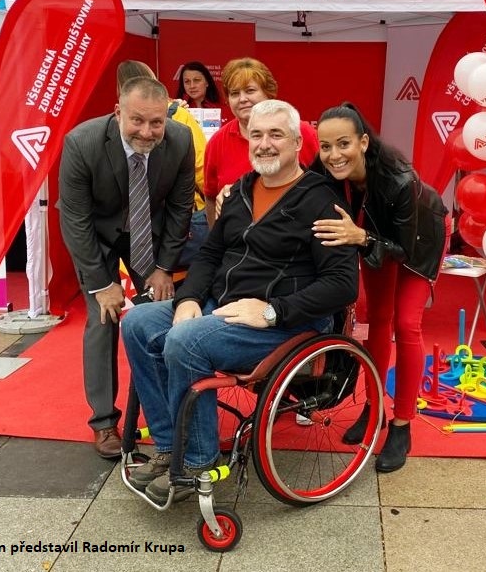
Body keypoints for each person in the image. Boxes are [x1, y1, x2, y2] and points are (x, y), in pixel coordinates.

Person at [120, 99, 358, 503]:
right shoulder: (241, 191)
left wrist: (272, 311)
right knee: (137, 323)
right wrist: (189, 298)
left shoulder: (321, 201)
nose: (264, 144)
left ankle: (196, 462)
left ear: (298, 143)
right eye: (257, 135)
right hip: (224, 306)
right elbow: (210, 254)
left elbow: (342, 285)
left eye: (276, 135)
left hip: (286, 321)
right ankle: (168, 444)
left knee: (185, 341)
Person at [58, 76, 196, 459]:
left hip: (148, 234)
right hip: (97, 235)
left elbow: (180, 207)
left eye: (156, 122)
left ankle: (170, 409)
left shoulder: (181, 140)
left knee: (162, 314)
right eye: (137, 120)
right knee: (104, 318)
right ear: (118, 112)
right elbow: (75, 219)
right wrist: (102, 284)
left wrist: (164, 267)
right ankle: (104, 421)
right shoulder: (82, 143)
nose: (147, 132)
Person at [311, 103, 449, 473]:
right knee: (378, 319)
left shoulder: (399, 180)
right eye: (326, 146)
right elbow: (295, 193)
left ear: (363, 142)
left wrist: (361, 237)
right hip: (371, 239)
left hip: (419, 241)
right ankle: (374, 410)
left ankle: (402, 424)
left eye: (343, 144)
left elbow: (402, 249)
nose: (334, 155)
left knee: (406, 324)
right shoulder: (323, 168)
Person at [203, 57, 319, 225]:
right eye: (235, 93)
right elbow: (211, 198)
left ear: (268, 93)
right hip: (237, 237)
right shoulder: (217, 142)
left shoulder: (302, 132)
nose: (242, 99)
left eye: (250, 90)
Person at [117, 61, 208, 268]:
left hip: (137, 218)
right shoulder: (179, 114)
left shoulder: (122, 121)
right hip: (181, 217)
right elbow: (201, 165)